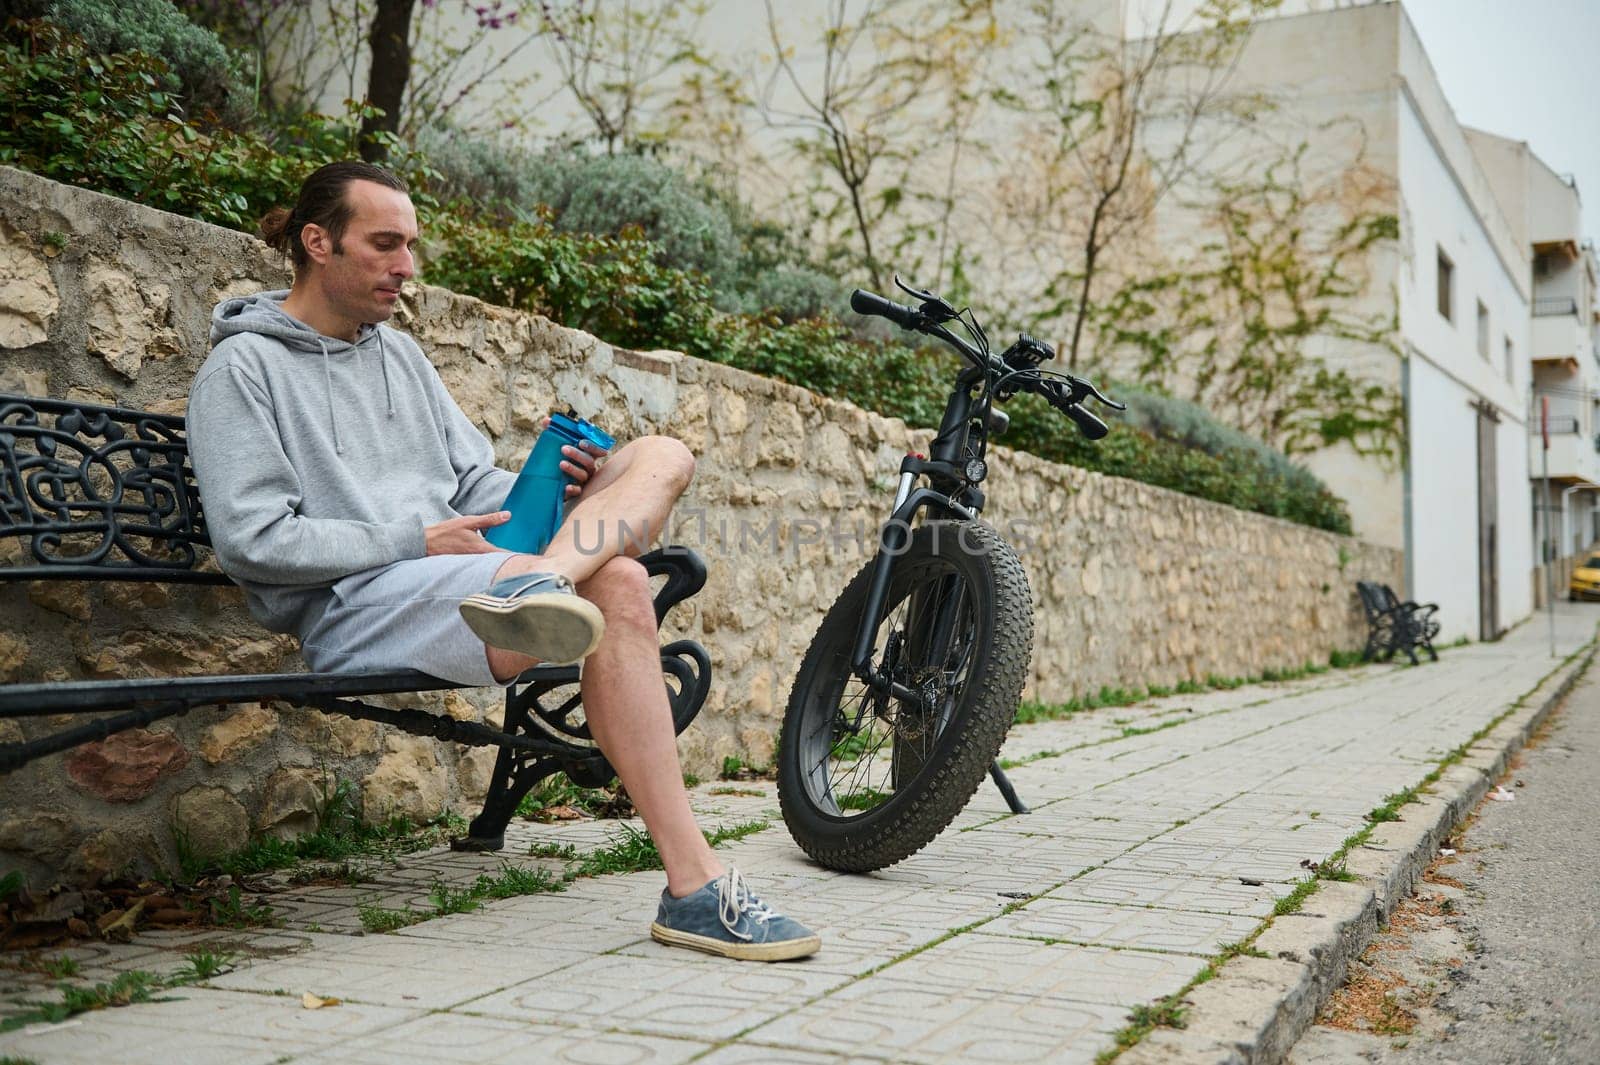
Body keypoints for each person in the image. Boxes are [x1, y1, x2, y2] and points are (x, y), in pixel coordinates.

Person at [186, 160, 819, 963]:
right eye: (385, 245)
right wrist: (415, 539)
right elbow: (253, 539)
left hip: (480, 576)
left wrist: (557, 487)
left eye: (411, 246)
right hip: (357, 602)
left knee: (660, 456)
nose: (406, 267)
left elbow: (473, 485)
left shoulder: (400, 359)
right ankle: (695, 884)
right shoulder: (242, 369)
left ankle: (548, 582)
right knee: (620, 578)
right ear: (318, 242)